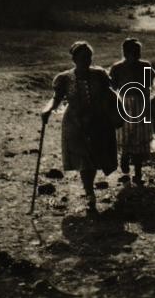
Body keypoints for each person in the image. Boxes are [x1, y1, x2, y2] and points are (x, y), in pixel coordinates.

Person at [41, 41, 118, 213]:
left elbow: (110, 94)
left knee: (95, 156)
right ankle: (89, 192)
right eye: (82, 58)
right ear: (74, 59)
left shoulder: (99, 74)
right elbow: (56, 98)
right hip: (75, 122)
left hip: (98, 121)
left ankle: (89, 188)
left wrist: (117, 113)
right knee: (84, 159)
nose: (86, 61)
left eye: (89, 57)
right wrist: (47, 110)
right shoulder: (64, 78)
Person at [109, 38, 155, 185]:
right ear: (125, 53)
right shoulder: (117, 68)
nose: (136, 55)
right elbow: (113, 88)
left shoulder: (145, 66)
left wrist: (147, 107)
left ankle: (138, 171)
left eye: (137, 52)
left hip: (141, 103)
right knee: (124, 134)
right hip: (124, 103)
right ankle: (124, 157)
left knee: (140, 137)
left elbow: (148, 86)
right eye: (132, 52)